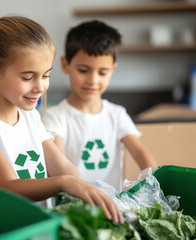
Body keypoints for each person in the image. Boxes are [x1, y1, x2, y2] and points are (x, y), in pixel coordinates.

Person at [0, 16, 123, 223]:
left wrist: (87, 190)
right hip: (1, 228)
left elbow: (61, 165)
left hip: (37, 225)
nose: (40, 87)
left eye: (46, 76)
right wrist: (63, 183)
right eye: (28, 77)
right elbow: (8, 185)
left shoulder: (30, 117)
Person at [41, 20, 158, 192]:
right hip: (72, 203)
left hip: (114, 206)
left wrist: (156, 184)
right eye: (83, 70)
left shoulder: (117, 114)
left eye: (102, 72)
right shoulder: (55, 117)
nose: (93, 80)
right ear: (65, 64)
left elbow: (140, 152)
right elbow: (58, 165)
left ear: (113, 69)